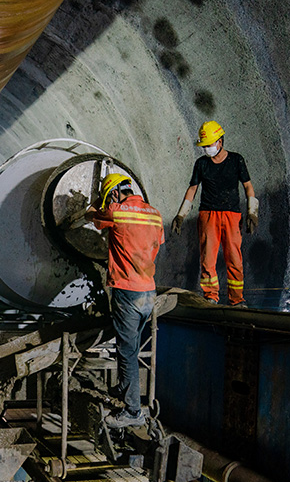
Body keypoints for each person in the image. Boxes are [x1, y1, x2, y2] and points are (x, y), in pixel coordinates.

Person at [85, 173, 164, 429]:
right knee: (135, 346)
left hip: (127, 292)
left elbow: (94, 219)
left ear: (115, 194)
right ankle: (123, 387)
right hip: (148, 292)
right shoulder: (155, 213)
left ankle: (132, 412)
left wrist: (91, 209)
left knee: (126, 352)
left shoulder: (117, 212)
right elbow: (156, 242)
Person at [171, 121, 258, 306]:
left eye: (209, 144)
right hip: (208, 215)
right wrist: (181, 215)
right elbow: (192, 189)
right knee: (208, 258)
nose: (207, 149)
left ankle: (236, 299)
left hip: (231, 215)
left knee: (234, 258)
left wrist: (252, 212)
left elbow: (248, 186)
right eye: (204, 146)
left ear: (220, 141)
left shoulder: (236, 160)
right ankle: (211, 296)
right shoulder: (201, 164)